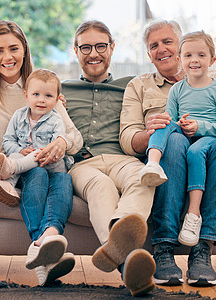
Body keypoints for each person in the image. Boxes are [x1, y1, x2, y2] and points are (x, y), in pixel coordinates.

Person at [119, 20, 216, 287]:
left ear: (180, 46)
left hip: (213, 150)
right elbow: (128, 138)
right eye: (154, 46)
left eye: (167, 41)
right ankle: (163, 248)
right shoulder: (139, 86)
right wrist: (151, 131)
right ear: (150, 54)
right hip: (171, 152)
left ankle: (203, 249)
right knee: (173, 141)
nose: (161, 49)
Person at [0, 20, 83, 286]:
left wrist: (61, 143)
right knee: (36, 173)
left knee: (64, 179)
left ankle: (44, 241)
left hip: (48, 165)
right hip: (6, 168)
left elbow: (75, 137)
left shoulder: (42, 89)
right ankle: (44, 241)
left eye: (13, 48)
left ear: (24, 50)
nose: (7, 57)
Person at [62, 20, 156, 297]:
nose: (94, 54)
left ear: (112, 48)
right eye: (86, 47)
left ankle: (119, 236)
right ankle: (127, 258)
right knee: (100, 186)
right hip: (82, 164)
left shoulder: (132, 86)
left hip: (122, 159)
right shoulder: (60, 89)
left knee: (145, 177)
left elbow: (186, 87)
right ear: (76, 51)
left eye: (101, 46)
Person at [140, 31, 216, 248]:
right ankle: (153, 163)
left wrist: (199, 126)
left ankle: (194, 214)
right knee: (163, 121)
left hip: (208, 139)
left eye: (201, 55)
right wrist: (179, 123)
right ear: (180, 60)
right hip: (182, 137)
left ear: (212, 60)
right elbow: (171, 119)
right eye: (188, 55)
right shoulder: (177, 90)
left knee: (194, 151)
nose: (194, 60)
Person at [0, 69, 70, 207]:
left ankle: (12, 167)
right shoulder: (19, 116)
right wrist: (20, 150)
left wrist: (34, 154)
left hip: (49, 166)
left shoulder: (56, 120)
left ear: (57, 99)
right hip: (26, 165)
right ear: (26, 96)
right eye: (36, 94)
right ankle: (8, 186)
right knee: (16, 155)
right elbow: (8, 140)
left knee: (37, 152)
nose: (41, 100)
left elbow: (52, 152)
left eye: (48, 96)